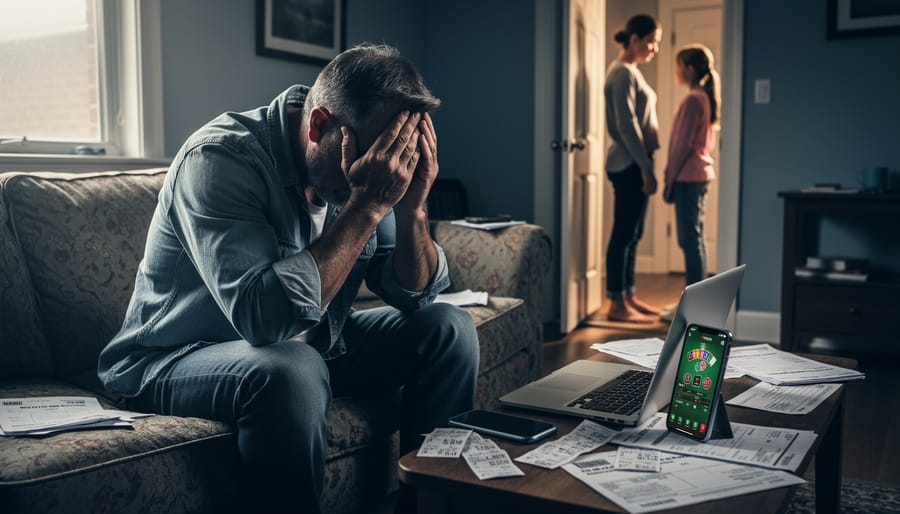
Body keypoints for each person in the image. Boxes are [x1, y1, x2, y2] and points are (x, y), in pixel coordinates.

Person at [97, 44, 479, 514]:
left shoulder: (366, 166)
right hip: (172, 358)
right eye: (379, 152)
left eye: (399, 153)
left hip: (315, 346)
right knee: (292, 368)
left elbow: (413, 295)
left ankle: (429, 506)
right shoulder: (220, 159)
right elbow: (263, 320)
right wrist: (366, 207)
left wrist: (413, 207)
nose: (388, 168)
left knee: (449, 329)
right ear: (320, 125)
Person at [603, 14, 663, 323]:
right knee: (624, 233)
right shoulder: (622, 73)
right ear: (635, 38)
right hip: (628, 165)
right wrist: (645, 168)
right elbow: (627, 127)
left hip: (635, 164)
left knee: (634, 233)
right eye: (652, 42)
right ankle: (615, 303)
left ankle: (627, 295)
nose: (654, 48)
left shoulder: (632, 72)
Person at [660, 44, 720, 321]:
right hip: (699, 175)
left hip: (687, 176)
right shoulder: (702, 98)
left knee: (689, 239)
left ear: (690, 69)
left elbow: (680, 146)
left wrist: (668, 178)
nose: (676, 71)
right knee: (695, 239)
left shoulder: (693, 100)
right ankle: (698, 303)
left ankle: (691, 308)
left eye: (678, 65)